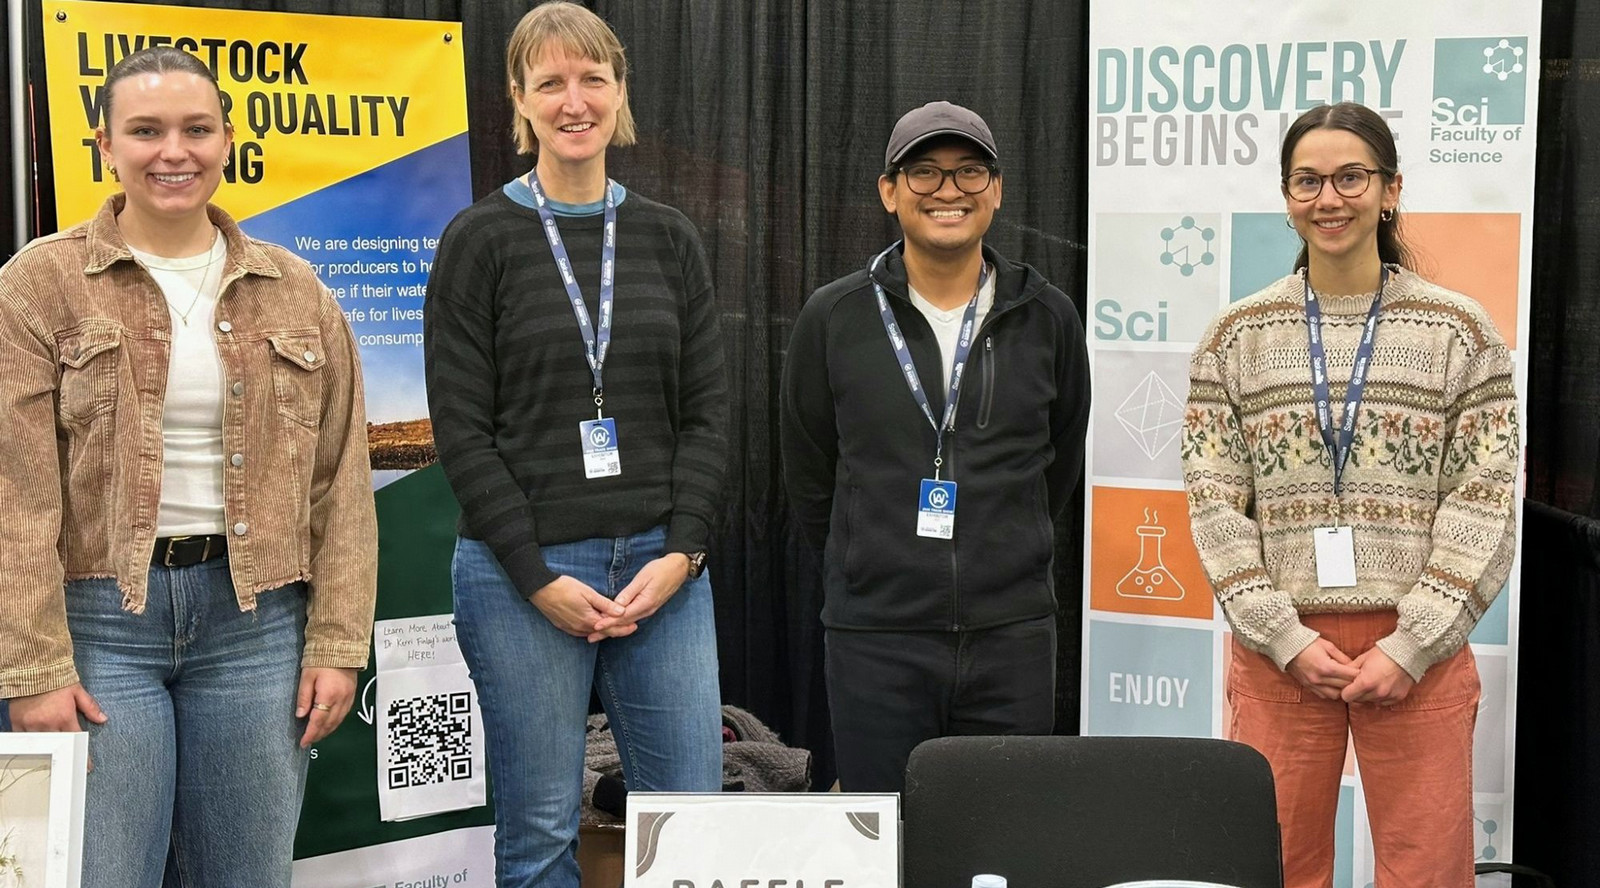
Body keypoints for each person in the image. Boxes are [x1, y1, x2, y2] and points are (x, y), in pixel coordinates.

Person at [0, 47, 376, 887]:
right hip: (97, 629)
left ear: (227, 138)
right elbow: (14, 495)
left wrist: (338, 642)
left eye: (196, 128)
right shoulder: (40, 284)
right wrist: (31, 668)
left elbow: (339, 483)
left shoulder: (299, 290)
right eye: (146, 130)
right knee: (101, 874)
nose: (174, 151)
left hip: (258, 627)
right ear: (105, 144)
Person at [422, 3, 727, 885]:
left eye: (592, 78)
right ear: (518, 100)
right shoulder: (479, 240)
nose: (574, 100)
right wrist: (536, 576)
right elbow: (462, 432)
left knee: (690, 823)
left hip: (662, 575)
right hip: (523, 576)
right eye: (550, 81)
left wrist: (685, 554)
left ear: (620, 92)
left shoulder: (670, 238)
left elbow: (707, 416)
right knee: (540, 833)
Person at [1182, 101, 1519, 888]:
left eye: (1350, 178)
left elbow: (1485, 501)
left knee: (1427, 870)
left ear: (1390, 189)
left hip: (1419, 650)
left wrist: (1414, 643)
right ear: (1287, 195)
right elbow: (1213, 503)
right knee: (1275, 866)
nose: (1328, 199)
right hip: (1281, 650)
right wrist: (1282, 635)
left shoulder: (1460, 333)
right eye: (1308, 181)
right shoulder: (1237, 337)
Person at [781, 101, 1091, 794]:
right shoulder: (833, 317)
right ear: (889, 192)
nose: (949, 191)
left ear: (998, 189)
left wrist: (1005, 548)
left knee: (996, 844)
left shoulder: (1046, 318)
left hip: (1011, 639)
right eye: (924, 173)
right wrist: (871, 558)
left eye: (969, 172)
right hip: (876, 641)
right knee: (887, 840)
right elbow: (810, 474)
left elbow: (1058, 464)